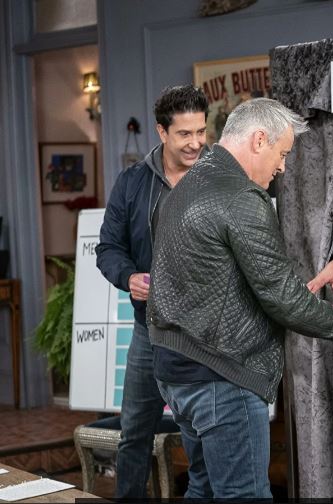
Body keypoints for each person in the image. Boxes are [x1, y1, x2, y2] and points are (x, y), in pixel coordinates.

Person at [147, 98, 333, 499]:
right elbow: (282, 298)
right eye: (281, 154)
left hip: (175, 371)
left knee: (203, 489)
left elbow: (220, 284)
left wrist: (314, 308)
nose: (282, 167)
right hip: (221, 375)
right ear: (258, 140)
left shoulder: (183, 187)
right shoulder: (240, 197)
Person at [95, 85, 208, 499]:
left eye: (201, 131)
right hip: (149, 333)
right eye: (184, 134)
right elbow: (108, 248)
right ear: (162, 131)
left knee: (200, 437)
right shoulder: (132, 182)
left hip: (203, 336)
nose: (195, 142)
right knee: (134, 433)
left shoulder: (218, 177)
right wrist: (129, 277)